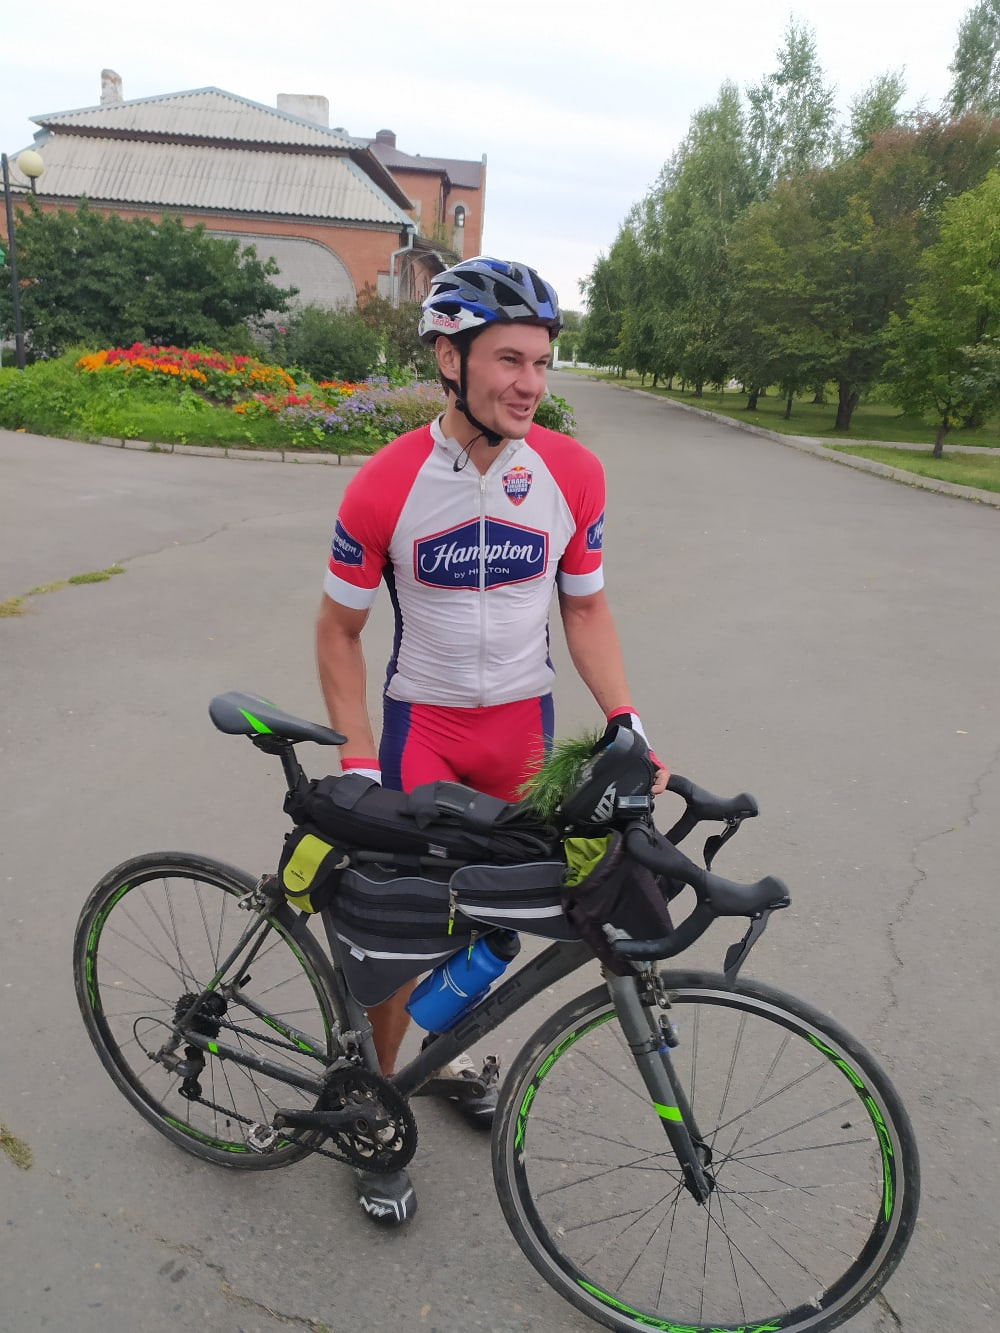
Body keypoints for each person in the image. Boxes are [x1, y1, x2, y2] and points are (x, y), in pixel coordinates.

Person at [316, 256, 666, 1224]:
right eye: (510, 359)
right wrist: (356, 761)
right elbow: (338, 631)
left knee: (501, 916)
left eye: (542, 362)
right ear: (449, 357)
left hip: (522, 732)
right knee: (398, 934)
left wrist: (628, 722)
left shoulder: (572, 474)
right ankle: (374, 1100)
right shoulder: (385, 484)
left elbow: (584, 609)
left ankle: (446, 1052)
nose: (530, 383)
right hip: (420, 734)